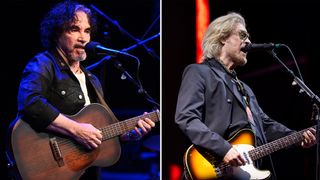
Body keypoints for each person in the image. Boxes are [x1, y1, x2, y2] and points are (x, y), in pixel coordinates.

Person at [9, 0, 156, 179]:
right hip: (45, 164)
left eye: (87, 31)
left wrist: (128, 135)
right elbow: (29, 102)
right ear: (57, 33)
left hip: (82, 172)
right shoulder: (44, 64)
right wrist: (76, 130)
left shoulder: (92, 80)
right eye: (74, 29)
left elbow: (101, 132)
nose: (83, 38)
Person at [174, 12, 316, 180]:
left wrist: (297, 137)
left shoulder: (245, 89)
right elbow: (186, 117)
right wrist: (223, 149)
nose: (248, 41)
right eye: (242, 35)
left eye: (248, 37)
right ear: (222, 38)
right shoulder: (199, 72)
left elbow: (265, 125)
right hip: (213, 169)